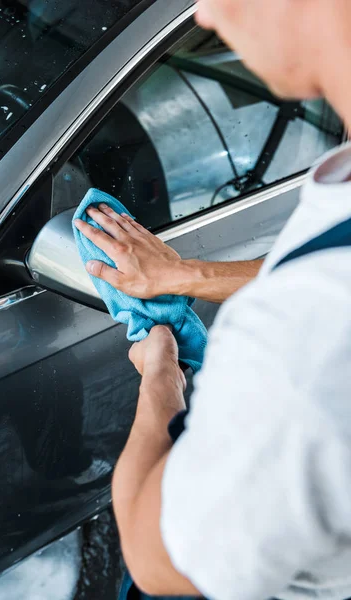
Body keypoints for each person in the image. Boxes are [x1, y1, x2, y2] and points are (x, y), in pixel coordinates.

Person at [74, 1, 351, 598]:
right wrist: (183, 276)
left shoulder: (306, 344)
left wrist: (161, 380)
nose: (202, 14)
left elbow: (155, 558)